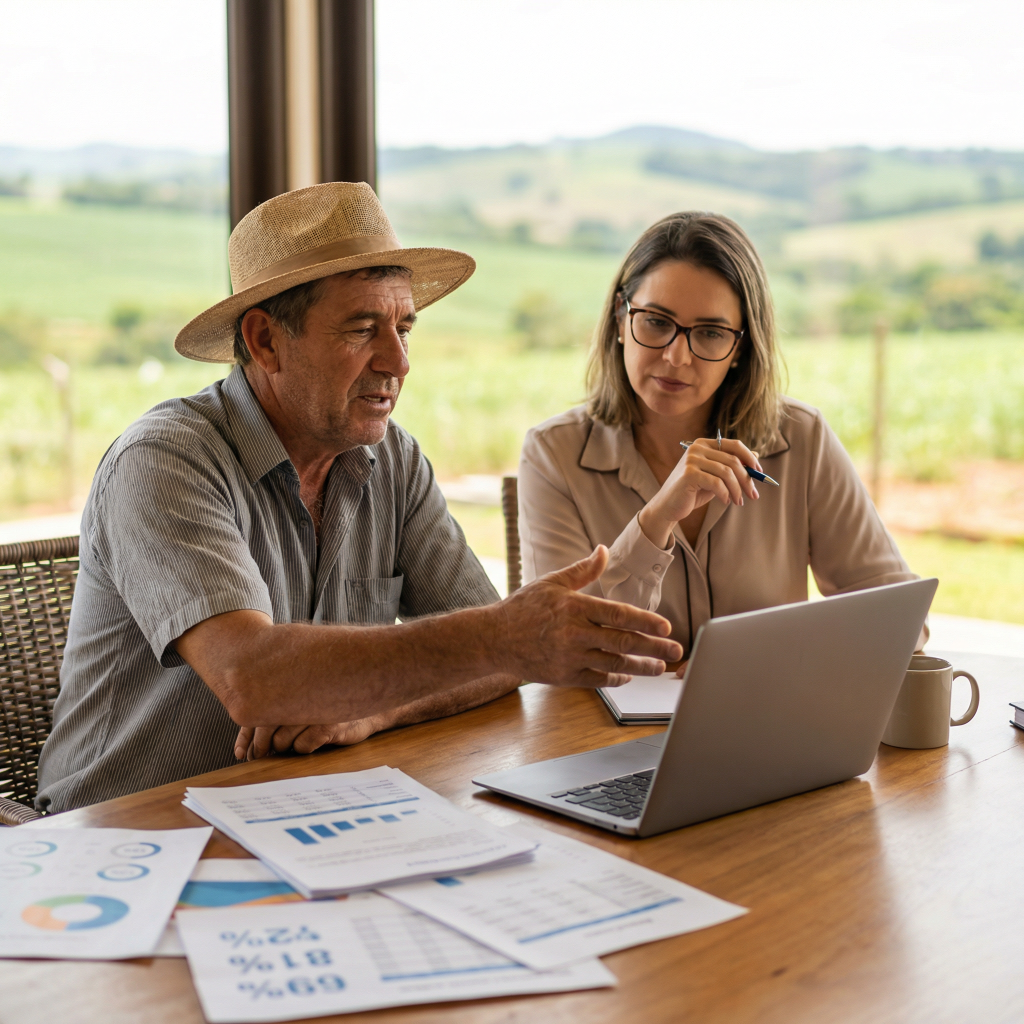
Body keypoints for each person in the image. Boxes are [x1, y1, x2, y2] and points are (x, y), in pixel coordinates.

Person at [37, 183, 681, 814]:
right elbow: (254, 680)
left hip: (300, 814)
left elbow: (501, 662)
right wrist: (501, 638)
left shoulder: (393, 459)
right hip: (121, 839)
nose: (398, 362)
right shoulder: (165, 460)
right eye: (362, 328)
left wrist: (374, 709)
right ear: (265, 342)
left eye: (405, 327)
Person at [518, 211, 924, 665]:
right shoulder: (552, 453)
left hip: (766, 725)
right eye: (655, 321)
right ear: (619, 319)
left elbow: (902, 619)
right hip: (599, 733)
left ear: (740, 349)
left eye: (710, 333)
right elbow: (558, 643)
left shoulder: (801, 438)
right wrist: (655, 521)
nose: (675, 357)